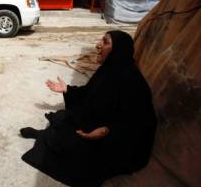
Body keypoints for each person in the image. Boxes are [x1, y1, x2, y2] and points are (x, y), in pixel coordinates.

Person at [20, 30, 157, 187]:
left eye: (105, 42)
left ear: (118, 49)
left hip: (117, 140)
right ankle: (43, 135)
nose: (98, 45)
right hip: (97, 122)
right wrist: (67, 90)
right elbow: (87, 94)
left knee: (75, 150)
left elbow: (138, 121)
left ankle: (45, 137)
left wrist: (107, 130)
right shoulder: (107, 70)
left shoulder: (133, 82)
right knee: (63, 118)